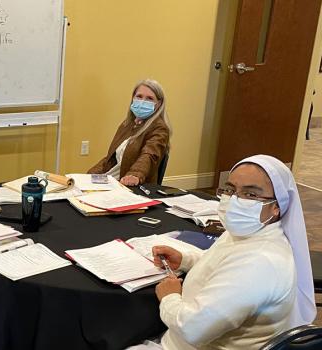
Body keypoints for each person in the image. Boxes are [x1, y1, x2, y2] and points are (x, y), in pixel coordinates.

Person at [129, 155, 317, 350]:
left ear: (276, 207)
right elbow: (223, 264)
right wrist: (185, 259)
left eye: (251, 195)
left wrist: (169, 297)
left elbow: (192, 329)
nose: (235, 200)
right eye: (230, 190)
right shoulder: (251, 233)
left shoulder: (259, 263)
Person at [87, 79, 171, 186]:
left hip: (133, 186)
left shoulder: (159, 128)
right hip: (110, 181)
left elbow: (149, 155)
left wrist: (135, 174)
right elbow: (111, 159)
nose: (142, 101)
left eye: (149, 98)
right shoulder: (127, 125)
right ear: (133, 99)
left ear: (158, 104)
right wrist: (89, 175)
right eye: (139, 96)